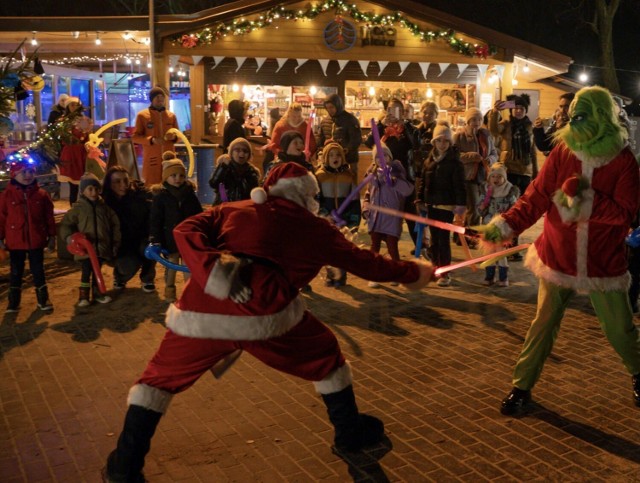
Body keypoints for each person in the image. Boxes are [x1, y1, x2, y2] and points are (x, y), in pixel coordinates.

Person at [102, 162, 434, 482]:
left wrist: (214, 269)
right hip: (269, 318)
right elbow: (369, 264)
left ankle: (125, 465)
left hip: (202, 315)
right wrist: (414, 272)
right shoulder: (317, 229)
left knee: (155, 383)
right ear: (308, 195)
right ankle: (349, 434)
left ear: (268, 188)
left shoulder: (233, 209)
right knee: (326, 356)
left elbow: (184, 228)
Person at [479, 86, 640, 415]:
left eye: (582, 118)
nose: (574, 125)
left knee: (620, 328)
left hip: (601, 261)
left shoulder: (623, 160)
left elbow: (626, 213)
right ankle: (521, 386)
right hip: (557, 253)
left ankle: (639, 373)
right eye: (573, 118)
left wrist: (584, 200)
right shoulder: (563, 152)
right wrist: (506, 225)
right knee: (543, 323)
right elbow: (535, 197)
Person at [414, 121, 466, 287]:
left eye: (445, 141)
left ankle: (445, 272)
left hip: (446, 206)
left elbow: (459, 185)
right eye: (439, 140)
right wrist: (420, 199)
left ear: (450, 143)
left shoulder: (454, 162)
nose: (442, 144)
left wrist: (460, 204)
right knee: (434, 239)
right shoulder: (429, 161)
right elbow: (423, 182)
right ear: (434, 142)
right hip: (431, 205)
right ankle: (436, 267)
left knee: (443, 240)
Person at [0, 161, 56, 312]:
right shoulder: (6, 196)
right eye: (23, 172)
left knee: (38, 270)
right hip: (15, 241)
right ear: (14, 174)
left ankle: (43, 298)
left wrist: (52, 236)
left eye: (31, 171)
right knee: (16, 271)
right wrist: (0, 238)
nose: (28, 175)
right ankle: (14, 301)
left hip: (36, 239)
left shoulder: (42, 195)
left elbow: (48, 217)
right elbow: (2, 218)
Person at [488, 94, 537, 261]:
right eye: (515, 108)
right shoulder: (506, 124)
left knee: (520, 210)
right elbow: (493, 130)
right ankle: (506, 245)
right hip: (509, 170)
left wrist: (535, 172)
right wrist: (495, 112)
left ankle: (514, 246)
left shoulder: (530, 127)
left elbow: (532, 150)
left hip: (525, 171)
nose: (518, 111)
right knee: (508, 209)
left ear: (525, 110)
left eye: (521, 108)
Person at [365, 98, 420, 246]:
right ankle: (387, 246)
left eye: (396, 110)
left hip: (404, 177)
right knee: (387, 213)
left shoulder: (410, 129)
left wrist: (405, 125)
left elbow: (416, 144)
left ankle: (420, 247)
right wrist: (381, 124)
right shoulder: (383, 128)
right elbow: (369, 142)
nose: (392, 113)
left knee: (410, 214)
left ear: (402, 112)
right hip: (385, 177)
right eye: (389, 109)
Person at [60, 173, 121, 306]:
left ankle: (98, 293)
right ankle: (83, 296)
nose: (94, 192)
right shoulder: (78, 209)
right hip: (86, 249)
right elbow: (66, 225)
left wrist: (114, 242)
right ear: (83, 191)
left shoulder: (104, 208)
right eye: (90, 189)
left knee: (97, 271)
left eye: (96, 189)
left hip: (101, 247)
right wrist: (70, 238)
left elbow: (115, 224)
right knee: (86, 271)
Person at [149, 152, 203, 302]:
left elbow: (198, 215)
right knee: (172, 265)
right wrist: (155, 238)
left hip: (186, 237)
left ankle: (188, 292)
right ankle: (170, 291)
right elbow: (156, 219)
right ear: (166, 177)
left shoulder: (189, 195)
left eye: (181, 175)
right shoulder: (161, 197)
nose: (178, 179)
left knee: (188, 266)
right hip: (170, 237)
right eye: (173, 176)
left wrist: (199, 231)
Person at [362, 143, 414, 289]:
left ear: (390, 157)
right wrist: (366, 208)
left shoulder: (397, 173)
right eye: (378, 157)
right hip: (376, 217)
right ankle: (374, 275)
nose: (381, 159)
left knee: (392, 248)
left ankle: (396, 274)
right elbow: (368, 194)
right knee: (374, 248)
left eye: (384, 155)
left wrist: (394, 181)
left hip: (391, 217)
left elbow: (407, 190)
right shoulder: (372, 175)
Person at [102, 166, 156, 293]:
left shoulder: (140, 197)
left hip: (141, 238)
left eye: (126, 180)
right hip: (121, 245)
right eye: (117, 181)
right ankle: (120, 276)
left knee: (152, 248)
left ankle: (147, 278)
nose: (123, 185)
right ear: (109, 184)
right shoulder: (104, 203)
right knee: (127, 265)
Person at [315, 141, 361, 286]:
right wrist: (323, 214)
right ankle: (330, 275)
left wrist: (353, 220)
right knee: (328, 248)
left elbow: (354, 200)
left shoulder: (348, 177)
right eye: (331, 155)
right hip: (327, 218)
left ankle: (341, 276)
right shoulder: (319, 176)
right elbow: (316, 199)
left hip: (344, 219)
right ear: (326, 158)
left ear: (342, 157)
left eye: (338, 155)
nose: (335, 158)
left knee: (342, 248)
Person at [453, 107, 498, 228]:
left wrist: (490, 159)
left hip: (484, 177)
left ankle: (464, 235)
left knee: (480, 206)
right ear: (467, 121)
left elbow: (494, 153)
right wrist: (470, 156)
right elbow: (454, 156)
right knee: (474, 207)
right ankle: (471, 235)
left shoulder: (486, 135)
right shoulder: (460, 136)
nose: (476, 122)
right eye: (473, 119)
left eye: (479, 119)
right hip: (468, 178)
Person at [477, 162, 519, 286]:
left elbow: (515, 209)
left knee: (500, 252)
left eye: (499, 176)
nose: (496, 179)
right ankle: (489, 277)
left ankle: (503, 277)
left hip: (502, 227)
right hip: (488, 225)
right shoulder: (486, 190)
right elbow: (479, 210)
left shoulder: (509, 191)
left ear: (504, 178)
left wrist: (508, 220)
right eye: (493, 176)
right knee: (489, 251)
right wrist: (482, 206)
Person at [132, 86, 179, 186]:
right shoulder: (142, 116)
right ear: (152, 99)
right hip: (151, 159)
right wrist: (151, 140)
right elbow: (135, 137)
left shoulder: (171, 116)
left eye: (162, 96)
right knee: (152, 186)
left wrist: (174, 137)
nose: (160, 99)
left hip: (169, 158)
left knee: (171, 184)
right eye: (157, 96)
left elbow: (179, 135)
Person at [58, 97, 93, 205]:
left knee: (83, 182)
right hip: (69, 154)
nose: (74, 107)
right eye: (72, 105)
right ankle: (73, 207)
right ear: (67, 106)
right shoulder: (63, 121)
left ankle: (84, 205)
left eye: (76, 105)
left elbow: (87, 138)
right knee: (72, 185)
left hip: (81, 154)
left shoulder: (84, 120)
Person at [264, 102, 317, 173]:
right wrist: (281, 153)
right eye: (294, 116)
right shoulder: (280, 126)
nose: (296, 119)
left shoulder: (305, 126)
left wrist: (307, 153)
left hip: (300, 160)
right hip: (283, 161)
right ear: (288, 115)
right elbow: (274, 145)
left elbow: (312, 144)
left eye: (298, 116)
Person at [318, 94, 362, 174]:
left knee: (349, 182)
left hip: (349, 159)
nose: (329, 110)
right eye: (327, 108)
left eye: (331, 107)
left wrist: (347, 149)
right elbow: (321, 138)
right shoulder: (325, 121)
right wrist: (321, 149)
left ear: (338, 105)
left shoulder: (350, 120)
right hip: (331, 159)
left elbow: (356, 139)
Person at [209, 137, 261, 205]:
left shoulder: (251, 172)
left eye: (245, 151)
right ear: (231, 153)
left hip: (243, 208)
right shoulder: (225, 167)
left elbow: (254, 194)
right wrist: (223, 167)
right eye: (237, 150)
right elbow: (213, 183)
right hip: (224, 208)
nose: (242, 153)